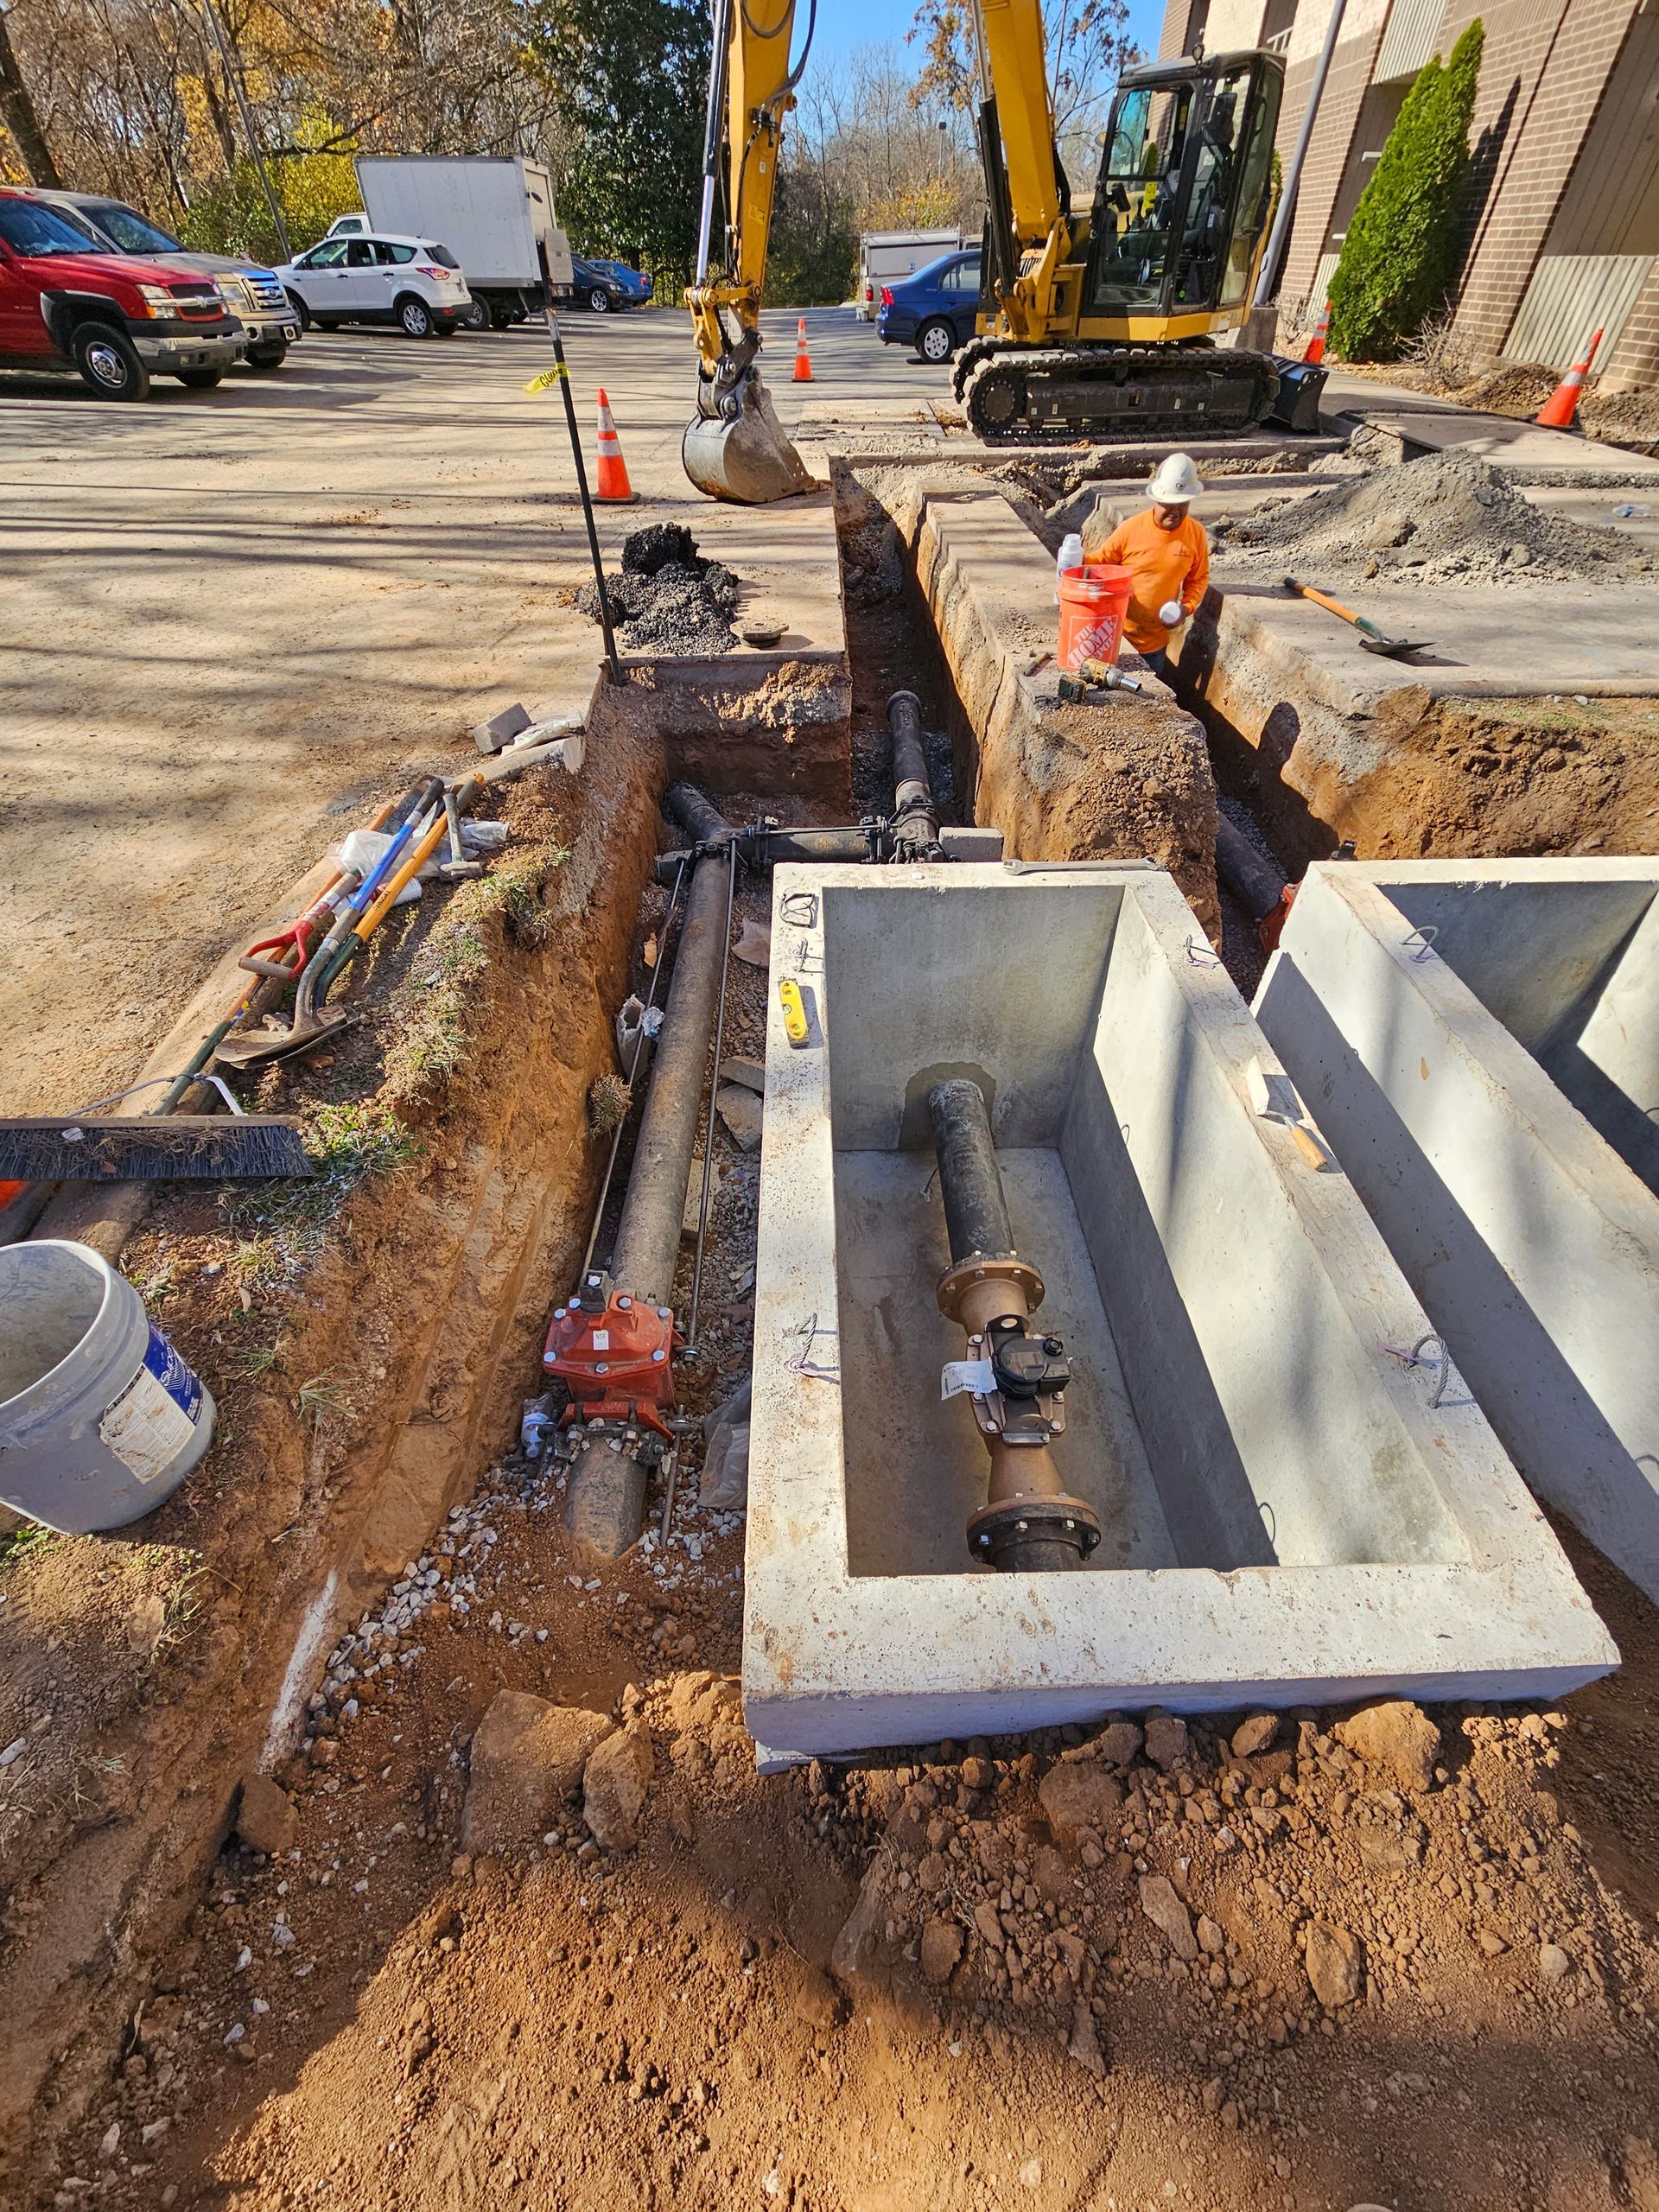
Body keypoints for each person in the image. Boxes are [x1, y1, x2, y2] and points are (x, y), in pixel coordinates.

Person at [1094, 452, 1209, 677]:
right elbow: (1101, 560)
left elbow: (1198, 578)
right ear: (1157, 498)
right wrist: (1076, 560)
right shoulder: (1132, 529)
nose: (1175, 511)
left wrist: (1186, 608)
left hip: (1154, 646)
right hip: (1117, 638)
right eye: (1170, 504)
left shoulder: (1195, 534)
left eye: (1182, 504)